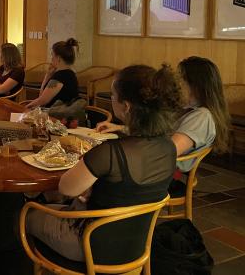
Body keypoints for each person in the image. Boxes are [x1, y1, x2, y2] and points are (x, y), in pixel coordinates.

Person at [26, 64, 180, 262]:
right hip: (136, 245)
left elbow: (66, 188)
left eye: (113, 96)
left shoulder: (108, 153)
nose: (111, 99)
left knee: (26, 212)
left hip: (91, 244)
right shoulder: (168, 147)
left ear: (126, 106)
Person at [97, 57, 230, 172]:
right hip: (157, 167)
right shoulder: (190, 109)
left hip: (163, 174)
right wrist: (121, 128)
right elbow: (159, 134)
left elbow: (166, 152)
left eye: (179, 79)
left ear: (195, 85)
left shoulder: (202, 117)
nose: (175, 84)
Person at [25, 38, 79, 109]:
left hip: (57, 117)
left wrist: (24, 108)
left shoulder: (60, 77)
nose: (51, 58)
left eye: (52, 55)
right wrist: (48, 75)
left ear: (58, 58)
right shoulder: (70, 73)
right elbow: (41, 96)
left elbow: (42, 101)